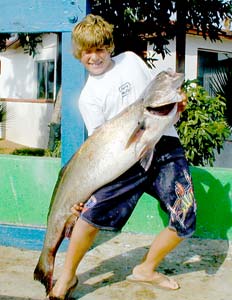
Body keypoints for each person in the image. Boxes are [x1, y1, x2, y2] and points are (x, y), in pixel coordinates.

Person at [48, 14, 197, 299]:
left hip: (165, 147)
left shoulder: (131, 60)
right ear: (79, 53)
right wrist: (86, 191)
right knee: (89, 216)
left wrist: (179, 106)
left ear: (110, 46)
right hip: (122, 161)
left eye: (101, 48)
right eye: (88, 51)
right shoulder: (89, 97)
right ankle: (66, 276)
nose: (95, 56)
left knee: (185, 215)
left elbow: (160, 102)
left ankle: (146, 269)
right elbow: (99, 148)